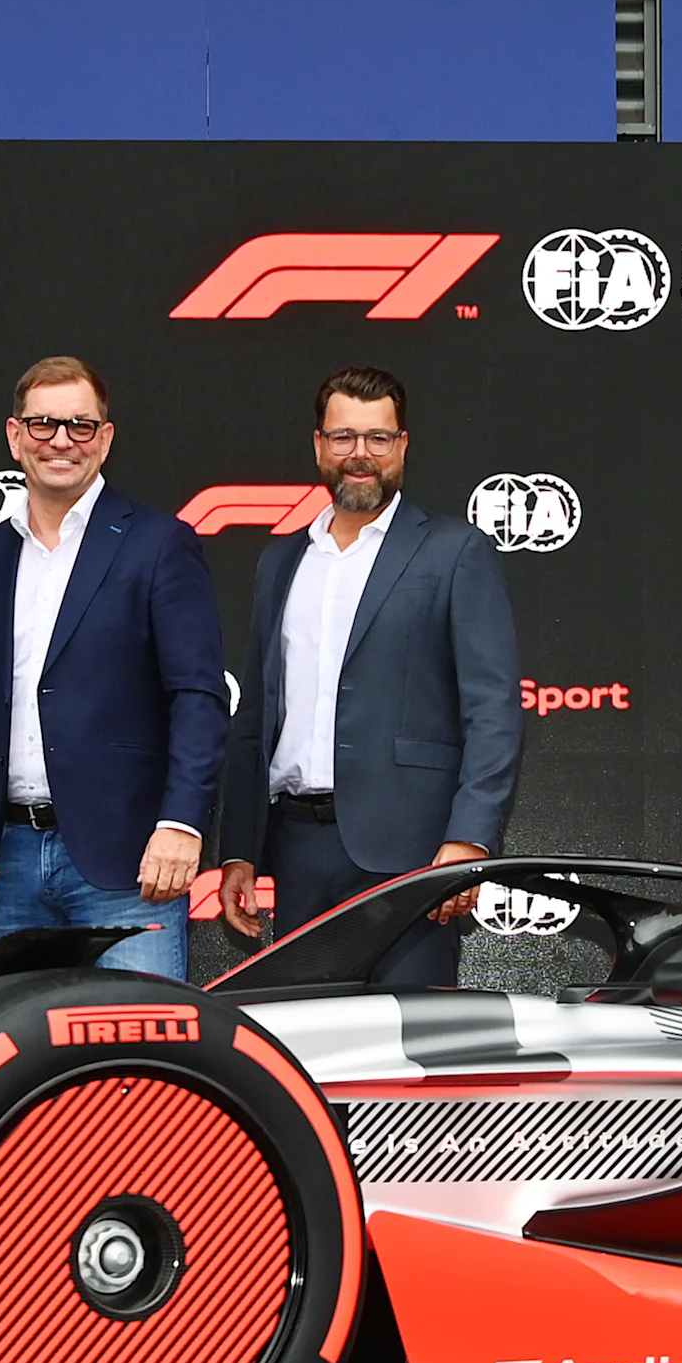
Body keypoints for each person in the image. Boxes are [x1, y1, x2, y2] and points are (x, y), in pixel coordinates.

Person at [218, 365, 522, 985]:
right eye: (344, 437)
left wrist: (468, 840)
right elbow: (256, 718)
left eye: (378, 438)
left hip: (412, 853)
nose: (361, 455)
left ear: (403, 445)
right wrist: (241, 850)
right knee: (306, 1051)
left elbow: (492, 710)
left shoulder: (453, 551)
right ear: (319, 446)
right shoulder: (281, 561)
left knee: (412, 1056)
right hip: (296, 849)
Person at [0, 356, 226, 979]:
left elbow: (197, 696)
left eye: (81, 425)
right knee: (23, 1064)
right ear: (15, 437)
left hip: (129, 860)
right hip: (7, 861)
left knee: (139, 1054)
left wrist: (180, 823)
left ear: (106, 438)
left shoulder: (158, 543)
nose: (62, 441)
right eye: (43, 425)